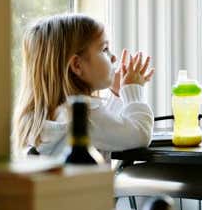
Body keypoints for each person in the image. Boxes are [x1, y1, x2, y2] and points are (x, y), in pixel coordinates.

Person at [13, 13, 155, 160]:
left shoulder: (43, 117)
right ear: (77, 65)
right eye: (104, 49)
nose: (114, 58)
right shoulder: (84, 116)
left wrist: (118, 94)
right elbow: (140, 134)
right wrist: (133, 91)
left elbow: (109, 130)